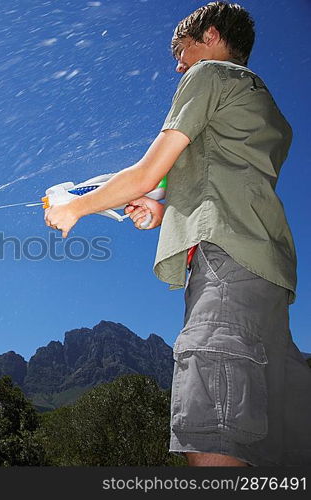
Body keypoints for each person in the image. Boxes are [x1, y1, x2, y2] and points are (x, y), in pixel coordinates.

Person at [45, 1, 311, 466]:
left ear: (210, 36)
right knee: (270, 449)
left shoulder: (209, 76)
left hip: (224, 271)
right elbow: (222, 178)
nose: (177, 63)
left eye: (181, 49)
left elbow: (149, 170)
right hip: (266, 279)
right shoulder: (265, 107)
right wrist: (164, 209)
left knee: (214, 440)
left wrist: (76, 208)